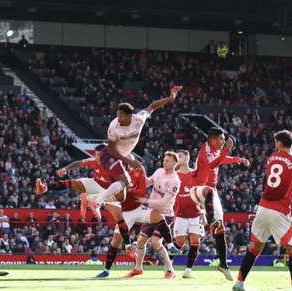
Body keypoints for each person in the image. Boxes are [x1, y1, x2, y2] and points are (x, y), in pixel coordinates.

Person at [85, 87, 182, 242]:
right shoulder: (114, 126)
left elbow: (152, 106)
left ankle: (90, 198)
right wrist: (130, 161)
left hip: (123, 157)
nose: (119, 118)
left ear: (130, 116)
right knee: (125, 181)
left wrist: (170, 98)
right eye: (118, 115)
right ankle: (97, 202)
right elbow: (111, 149)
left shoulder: (139, 119)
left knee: (120, 196)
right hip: (109, 155)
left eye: (122, 116)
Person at [233, 130, 292, 291]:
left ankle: (239, 283)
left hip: (262, 208)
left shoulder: (271, 159)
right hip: (280, 210)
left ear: (280, 144)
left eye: (276, 143)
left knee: (255, 248)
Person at [189, 127, 250, 281]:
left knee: (220, 229)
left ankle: (223, 263)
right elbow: (211, 165)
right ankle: (211, 221)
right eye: (222, 139)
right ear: (214, 140)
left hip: (210, 193)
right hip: (197, 189)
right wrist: (227, 150)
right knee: (209, 190)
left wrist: (236, 159)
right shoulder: (206, 149)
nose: (224, 142)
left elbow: (220, 160)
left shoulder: (215, 151)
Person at [124, 151, 181, 280]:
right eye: (164, 160)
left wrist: (146, 201)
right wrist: (140, 175)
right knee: (140, 241)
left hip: (165, 215)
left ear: (175, 163)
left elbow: (164, 201)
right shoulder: (159, 171)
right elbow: (148, 182)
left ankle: (170, 270)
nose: (165, 162)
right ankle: (138, 269)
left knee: (156, 242)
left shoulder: (175, 181)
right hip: (151, 212)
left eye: (168, 161)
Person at [35, 144, 110, 218]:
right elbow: (78, 163)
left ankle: (88, 199)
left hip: (109, 191)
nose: (97, 157)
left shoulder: (114, 164)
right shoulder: (93, 160)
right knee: (75, 183)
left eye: (99, 155)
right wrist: (65, 169)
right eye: (96, 154)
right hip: (96, 183)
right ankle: (45, 188)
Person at [172, 150, 205, 279]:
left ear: (187, 159)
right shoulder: (173, 176)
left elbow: (202, 192)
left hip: (195, 214)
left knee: (195, 242)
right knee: (180, 243)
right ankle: (169, 264)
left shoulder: (195, 175)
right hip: (180, 214)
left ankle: (188, 270)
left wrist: (203, 210)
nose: (177, 158)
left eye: (179, 156)